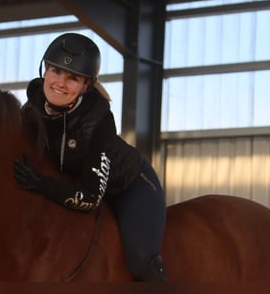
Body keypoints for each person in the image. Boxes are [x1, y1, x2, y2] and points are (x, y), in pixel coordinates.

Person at [13, 32, 167, 281]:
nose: (60, 83)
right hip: (69, 187)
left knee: (139, 257)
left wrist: (41, 184)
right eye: (55, 72)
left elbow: (91, 197)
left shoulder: (100, 120)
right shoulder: (29, 112)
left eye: (72, 78)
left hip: (129, 187)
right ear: (44, 71)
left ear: (86, 85)